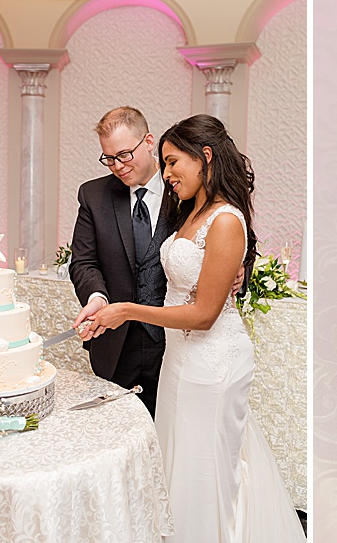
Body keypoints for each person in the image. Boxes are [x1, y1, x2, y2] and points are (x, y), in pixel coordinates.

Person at [87, 114, 305, 542]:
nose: (166, 173)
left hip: (213, 362)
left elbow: (205, 314)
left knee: (205, 469)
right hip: (179, 358)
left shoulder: (224, 219)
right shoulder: (188, 210)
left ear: (204, 156)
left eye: (172, 162)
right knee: (180, 463)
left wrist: (127, 311)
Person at [70, 106, 243, 417]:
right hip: (116, 345)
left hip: (176, 342)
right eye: (109, 158)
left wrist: (238, 269)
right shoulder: (93, 195)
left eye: (124, 155)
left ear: (148, 142)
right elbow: (83, 262)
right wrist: (97, 297)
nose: (118, 166)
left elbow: (231, 236)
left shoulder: (187, 189)